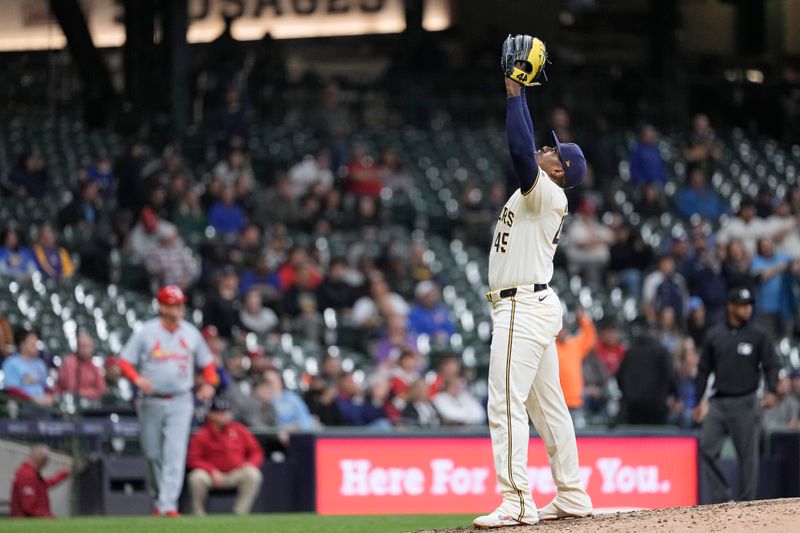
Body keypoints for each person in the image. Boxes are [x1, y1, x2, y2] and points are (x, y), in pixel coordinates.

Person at [473, 36, 593, 529]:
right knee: (549, 411)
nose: (546, 147)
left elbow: (521, 150)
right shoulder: (541, 194)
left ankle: (518, 499)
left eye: (554, 150)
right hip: (533, 304)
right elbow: (526, 151)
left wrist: (515, 93)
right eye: (549, 144)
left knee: (504, 402)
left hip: (523, 307)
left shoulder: (547, 192)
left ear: (560, 169)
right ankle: (571, 494)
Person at [117, 285, 218, 516]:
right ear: (162, 306)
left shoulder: (190, 332)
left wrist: (209, 384)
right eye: (174, 304)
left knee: (175, 452)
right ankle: (158, 499)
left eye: (181, 303)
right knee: (152, 454)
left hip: (182, 400)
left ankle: (168, 505)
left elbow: (208, 362)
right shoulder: (146, 332)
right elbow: (124, 361)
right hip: (150, 401)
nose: (179, 308)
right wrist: (137, 379)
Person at [693, 287, 780, 503]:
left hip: (746, 401)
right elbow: (704, 369)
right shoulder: (715, 335)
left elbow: (771, 365)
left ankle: (746, 502)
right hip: (719, 402)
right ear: (730, 307)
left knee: (747, 456)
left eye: (749, 305)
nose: (747, 309)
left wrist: (773, 390)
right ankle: (722, 496)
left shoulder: (758, 334)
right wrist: (697, 401)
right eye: (742, 305)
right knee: (707, 447)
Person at [187, 398, 264, 515]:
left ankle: (240, 513)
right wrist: (211, 470)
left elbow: (256, 451)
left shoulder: (239, 430)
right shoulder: (202, 434)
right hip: (211, 476)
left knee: (253, 474)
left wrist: (250, 463)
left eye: (226, 413)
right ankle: (198, 514)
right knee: (196, 477)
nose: (224, 416)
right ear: (212, 414)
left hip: (235, 473)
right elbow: (193, 459)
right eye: (220, 413)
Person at [616, 328, 675, 424]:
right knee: (656, 436)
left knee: (634, 436)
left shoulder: (630, 352)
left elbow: (619, 376)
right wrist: (672, 394)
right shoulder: (661, 351)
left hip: (632, 405)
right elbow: (670, 376)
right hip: (656, 405)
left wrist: (626, 395)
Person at [555, 309, 597, 428]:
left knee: (578, 436)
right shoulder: (550, 347)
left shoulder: (574, 345)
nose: (563, 332)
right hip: (557, 402)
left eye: (565, 329)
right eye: (560, 329)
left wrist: (583, 319)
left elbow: (589, 337)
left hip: (575, 401)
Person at [10, 445, 70, 517]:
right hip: (27, 522)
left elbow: (46, 484)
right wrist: (48, 516)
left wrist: (64, 473)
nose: (46, 463)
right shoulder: (26, 474)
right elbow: (29, 507)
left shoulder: (32, 473)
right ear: (40, 458)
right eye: (46, 459)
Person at [2, 328, 53, 407]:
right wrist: (31, 399)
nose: (36, 346)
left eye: (36, 343)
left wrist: (49, 396)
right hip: (22, 410)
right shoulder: (11, 363)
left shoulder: (40, 364)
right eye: (33, 344)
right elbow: (11, 389)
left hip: (43, 408)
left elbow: (45, 387)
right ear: (23, 344)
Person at [55, 333, 107, 402]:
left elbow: (101, 389)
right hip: (67, 402)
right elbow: (72, 389)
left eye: (89, 346)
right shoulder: (70, 362)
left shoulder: (92, 365)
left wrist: (84, 391)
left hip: (88, 404)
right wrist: (92, 391)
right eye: (84, 346)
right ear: (78, 347)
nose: (87, 350)